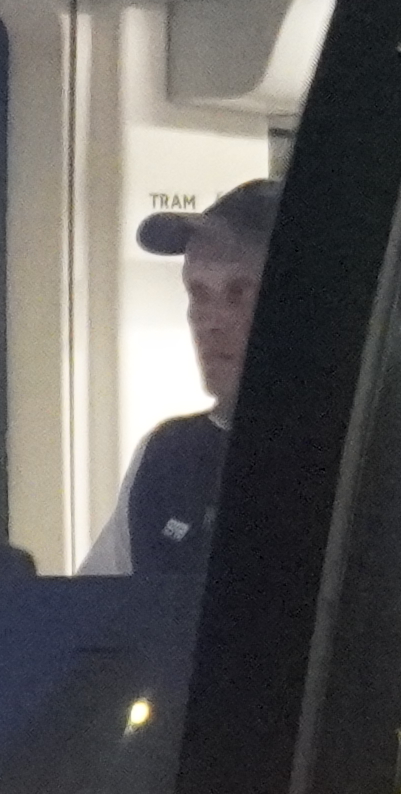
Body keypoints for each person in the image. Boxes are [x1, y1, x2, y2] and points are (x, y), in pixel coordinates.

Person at [91, 177, 273, 577]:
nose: (210, 321)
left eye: (240, 293)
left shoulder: (366, 457)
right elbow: (99, 619)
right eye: (199, 294)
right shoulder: (168, 457)